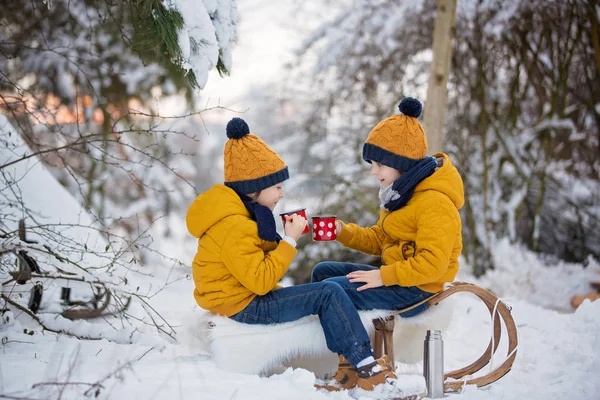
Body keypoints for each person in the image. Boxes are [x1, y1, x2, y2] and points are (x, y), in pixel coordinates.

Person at [186, 117, 396, 392]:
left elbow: (251, 260)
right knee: (328, 292)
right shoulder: (234, 226)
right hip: (244, 305)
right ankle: (366, 366)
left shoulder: (237, 215)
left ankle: (349, 363)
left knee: (325, 285)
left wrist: (281, 238)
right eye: (277, 187)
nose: (281, 194)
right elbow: (260, 281)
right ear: (254, 188)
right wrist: (289, 241)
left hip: (237, 299)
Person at [312, 97, 465, 321]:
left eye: (380, 164)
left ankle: (356, 352)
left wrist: (383, 276)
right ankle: (330, 331)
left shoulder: (435, 203)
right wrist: (341, 231)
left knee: (329, 289)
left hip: (417, 290)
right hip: (397, 277)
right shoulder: (400, 193)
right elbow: (382, 239)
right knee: (322, 271)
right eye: (372, 164)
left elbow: (433, 265)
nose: (374, 172)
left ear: (402, 164)